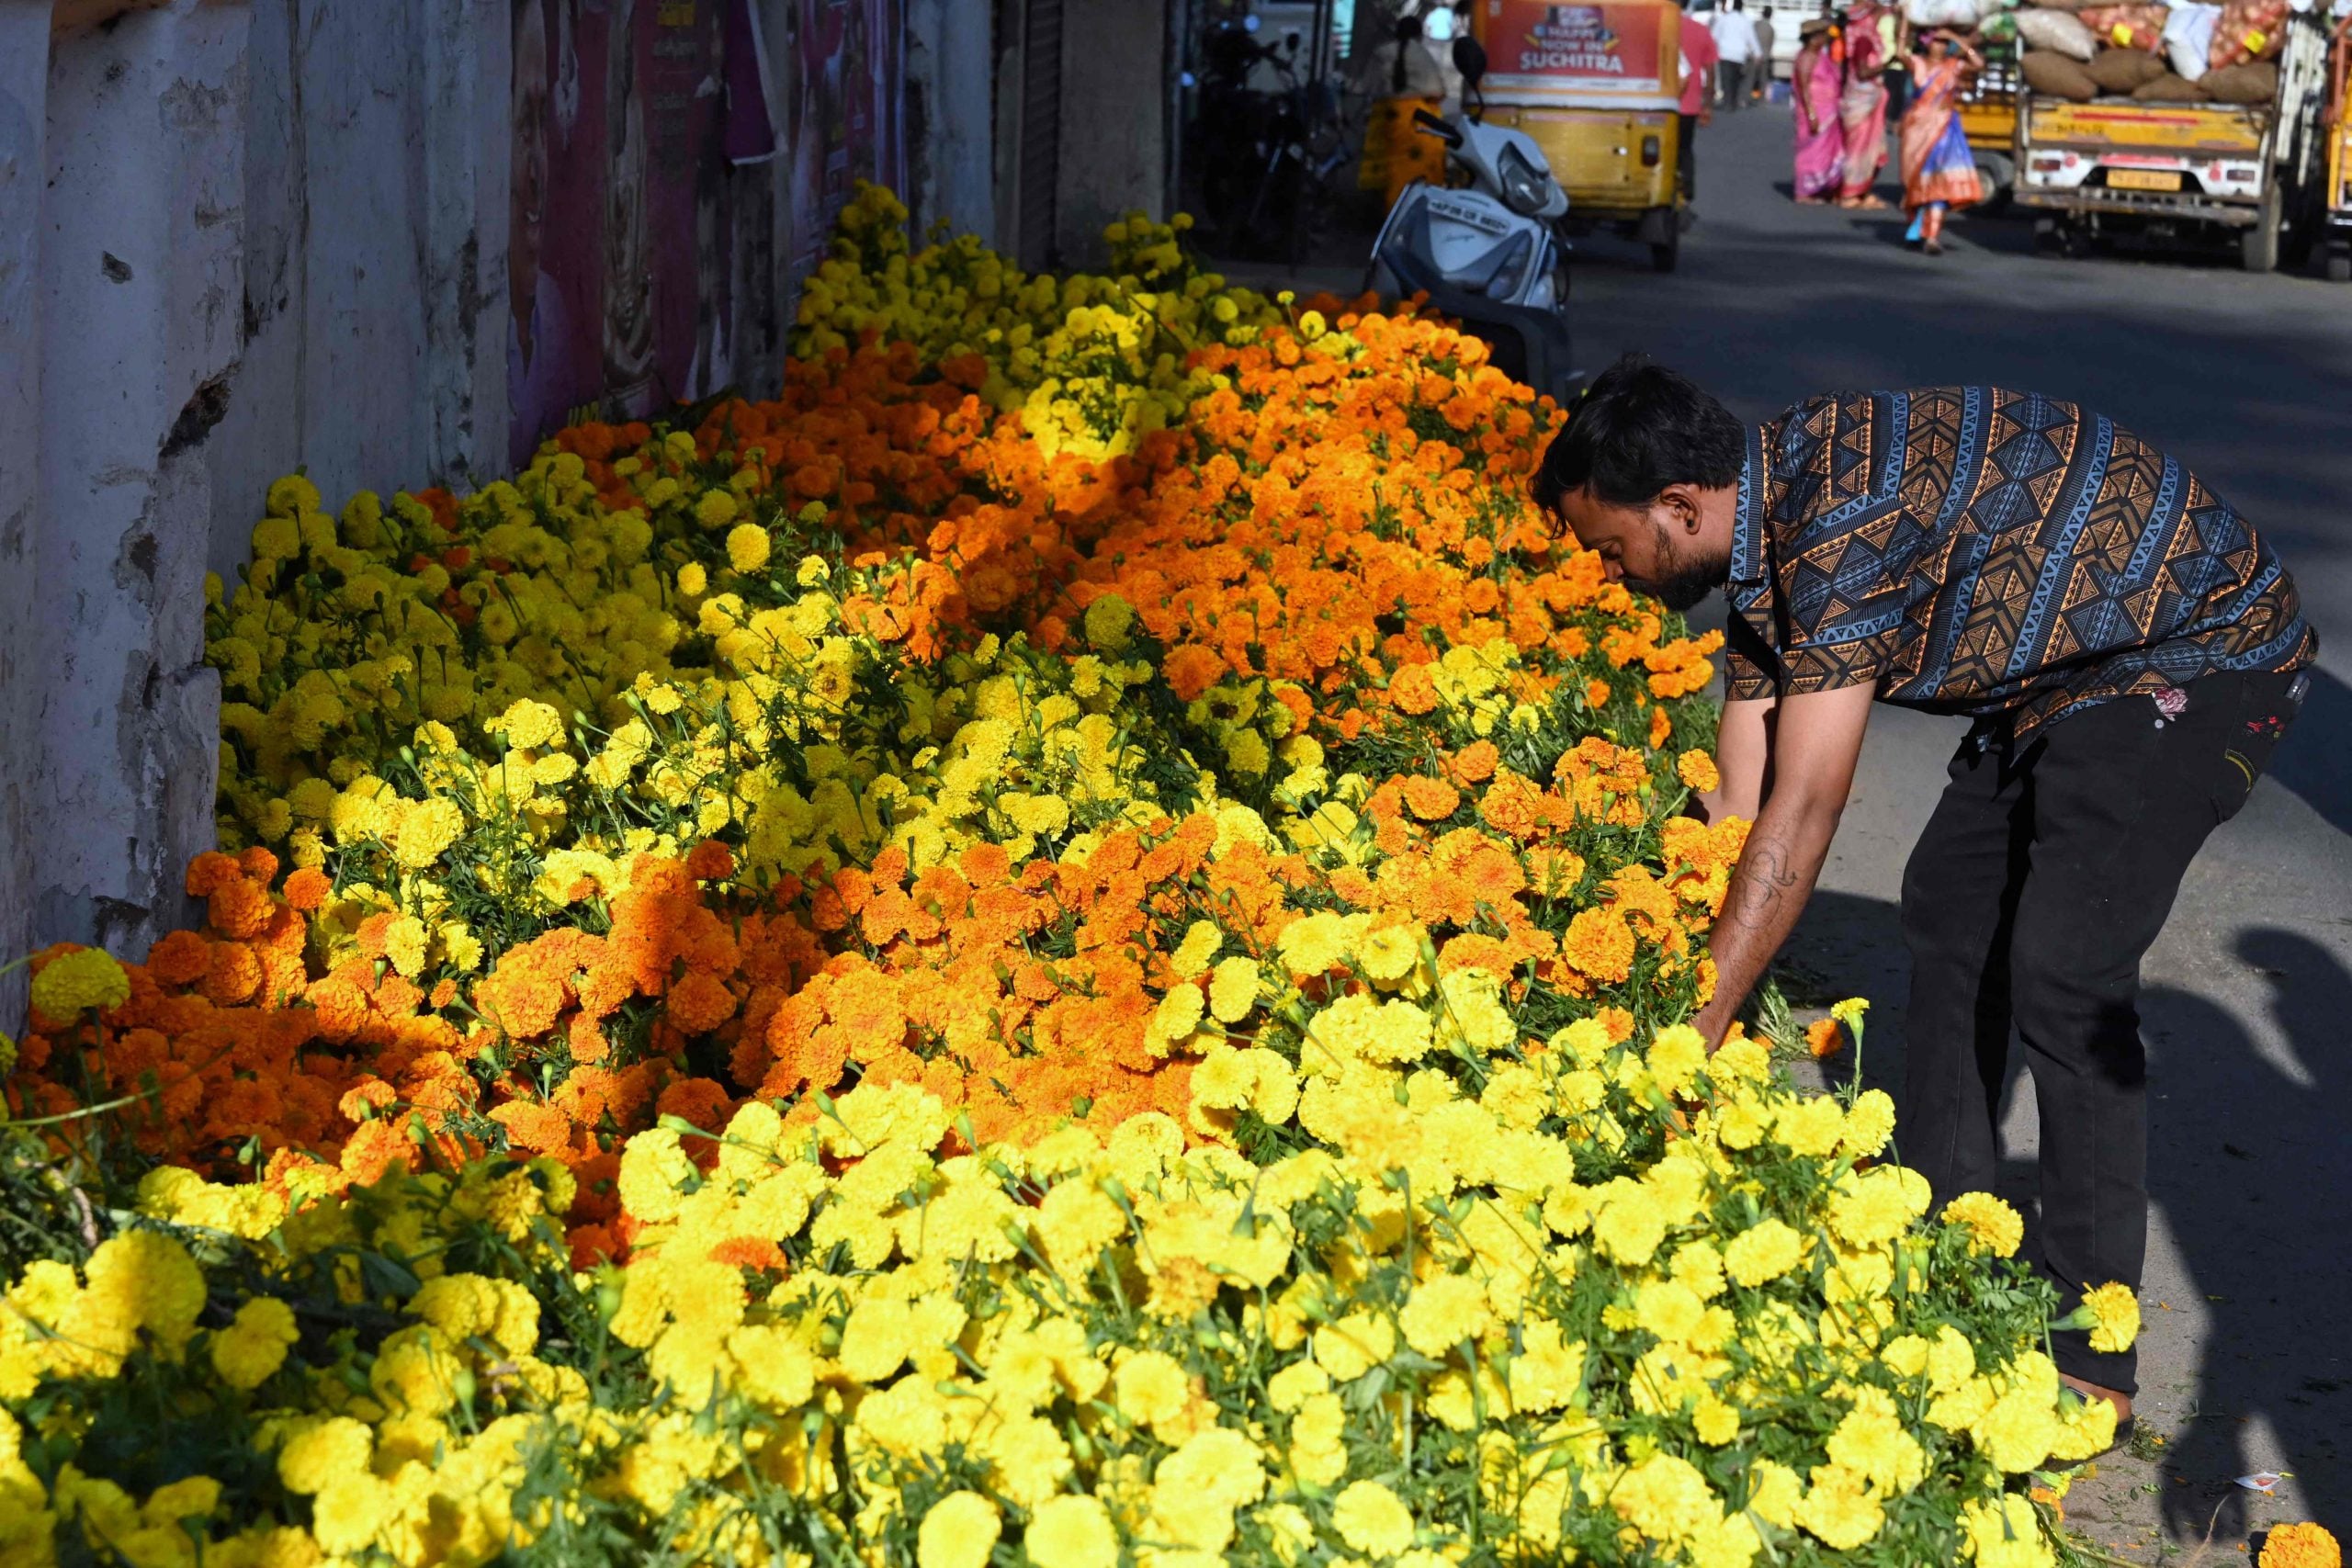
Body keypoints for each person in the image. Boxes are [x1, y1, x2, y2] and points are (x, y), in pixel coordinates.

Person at [1532, 355, 2315, 1445]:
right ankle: (1948, 1236)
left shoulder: (1832, 527)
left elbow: (1803, 812)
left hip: (2201, 654)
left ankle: (2092, 1348)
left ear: (1678, 505)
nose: (1612, 574)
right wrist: (1650, 942)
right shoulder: (1766, 526)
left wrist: (1702, 1021)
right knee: (1949, 907)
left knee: (2063, 961)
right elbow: (1742, 799)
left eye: (1610, 548)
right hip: (2067, 673)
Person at [1899, 30, 1984, 254]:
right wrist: (1905, 21)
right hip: (1916, 129)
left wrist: (1957, 39)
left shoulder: (1954, 65)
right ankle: (1917, 228)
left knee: (1938, 183)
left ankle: (1932, 237)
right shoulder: (1916, 63)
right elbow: (1899, 53)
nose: (1939, 46)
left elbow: (1978, 62)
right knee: (1916, 183)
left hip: (1944, 129)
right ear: (1926, 44)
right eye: (1936, 41)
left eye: (1943, 43)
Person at [1835, 1, 1892, 208]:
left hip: (1867, 102)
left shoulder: (1867, 38)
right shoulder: (1864, 40)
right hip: (1862, 103)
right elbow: (1862, 72)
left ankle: (1862, 193)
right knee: (1859, 150)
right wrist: (1888, 64)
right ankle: (1850, 194)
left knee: (1872, 150)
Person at [1791, 18, 1844, 200]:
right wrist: (1812, 114)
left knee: (1826, 150)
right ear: (1813, 38)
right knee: (1812, 150)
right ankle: (1804, 191)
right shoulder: (1806, 58)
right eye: (1822, 37)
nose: (1825, 40)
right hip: (1815, 111)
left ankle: (1822, 187)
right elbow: (1804, 87)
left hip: (1828, 111)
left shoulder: (1821, 56)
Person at [1678, 5, 1719, 198]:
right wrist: (1708, 106)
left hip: (1656, 103)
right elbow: (1710, 73)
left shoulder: (1655, 27)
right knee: (1684, 149)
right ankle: (1686, 193)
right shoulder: (1700, 31)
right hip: (1688, 105)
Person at [1710, 0, 1760, 111]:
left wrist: (1712, 50)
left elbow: (1714, 35)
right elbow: (1752, 38)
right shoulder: (1745, 21)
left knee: (1726, 79)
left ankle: (1727, 102)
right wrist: (1757, 53)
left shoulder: (1724, 19)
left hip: (1725, 53)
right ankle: (1733, 101)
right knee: (1736, 80)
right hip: (1739, 55)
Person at [1751, 6, 1778, 102]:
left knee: (1751, 78)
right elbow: (1771, 44)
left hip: (1754, 55)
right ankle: (1761, 98)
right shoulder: (1771, 29)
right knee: (1763, 78)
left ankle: (1747, 97)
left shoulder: (1756, 25)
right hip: (1765, 56)